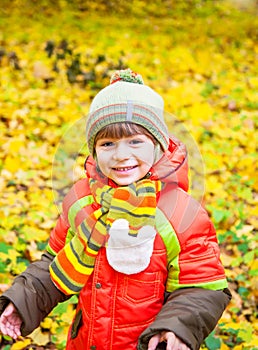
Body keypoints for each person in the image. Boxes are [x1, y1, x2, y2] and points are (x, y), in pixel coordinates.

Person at [0, 68, 231, 350]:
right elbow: (55, 263)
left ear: (158, 145)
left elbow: (201, 286)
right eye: (108, 143)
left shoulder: (181, 213)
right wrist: (20, 301)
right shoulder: (84, 200)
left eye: (135, 142)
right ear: (94, 151)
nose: (121, 155)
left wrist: (177, 328)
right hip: (87, 342)